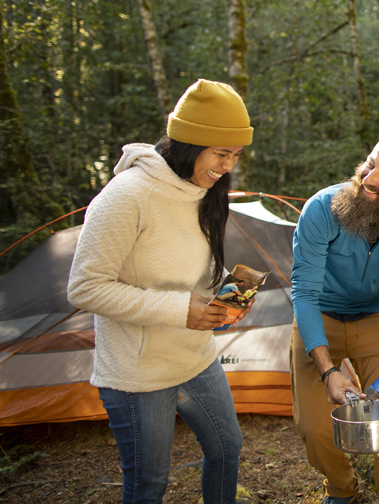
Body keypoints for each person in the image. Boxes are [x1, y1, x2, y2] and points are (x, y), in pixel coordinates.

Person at [67, 79, 252, 504]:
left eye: (237, 155)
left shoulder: (205, 191)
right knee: (149, 486)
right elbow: (84, 287)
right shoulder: (126, 195)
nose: (228, 166)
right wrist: (181, 309)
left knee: (227, 449)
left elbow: (193, 263)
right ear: (188, 143)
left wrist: (227, 295)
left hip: (195, 358)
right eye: (221, 153)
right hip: (138, 372)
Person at [289, 134, 379, 504]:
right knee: (314, 428)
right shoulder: (321, 208)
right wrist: (327, 371)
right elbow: (304, 292)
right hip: (318, 316)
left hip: (374, 317)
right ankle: (341, 488)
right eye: (370, 164)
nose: (368, 178)